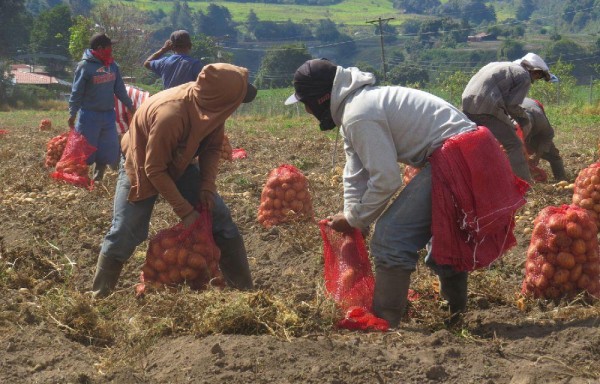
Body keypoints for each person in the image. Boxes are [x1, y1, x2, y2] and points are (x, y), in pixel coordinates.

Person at [285, 59, 527, 327]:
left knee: (391, 234)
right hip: (466, 152)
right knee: (443, 234)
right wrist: (354, 216)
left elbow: (386, 179)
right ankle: (453, 317)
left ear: (322, 98)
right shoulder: (355, 110)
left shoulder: (359, 114)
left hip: (461, 155)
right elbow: (356, 171)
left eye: (306, 102)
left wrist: (355, 219)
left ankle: (386, 321)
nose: (306, 110)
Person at [91, 63, 258, 298]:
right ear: (223, 98)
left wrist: (207, 185)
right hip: (142, 161)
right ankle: (99, 297)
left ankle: (245, 293)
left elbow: (212, 147)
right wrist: (186, 212)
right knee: (126, 230)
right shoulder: (172, 113)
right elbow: (154, 169)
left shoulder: (212, 107)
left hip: (181, 159)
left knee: (220, 220)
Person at [461, 52, 556, 183]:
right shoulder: (523, 76)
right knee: (514, 145)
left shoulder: (498, 65)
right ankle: (524, 183)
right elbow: (512, 105)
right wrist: (523, 118)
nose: (536, 79)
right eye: (538, 77)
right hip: (486, 108)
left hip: (467, 105)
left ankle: (482, 179)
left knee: (481, 144)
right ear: (537, 72)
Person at [68, 33, 135, 182]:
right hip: (89, 115)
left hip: (108, 115)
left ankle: (98, 177)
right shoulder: (84, 66)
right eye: (109, 47)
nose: (111, 49)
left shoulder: (112, 66)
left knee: (107, 147)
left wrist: (130, 106)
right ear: (100, 48)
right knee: (86, 148)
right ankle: (81, 178)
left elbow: (120, 90)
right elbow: (76, 92)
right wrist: (72, 113)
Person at [519, 98, 567, 181]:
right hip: (515, 129)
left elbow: (548, 136)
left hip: (534, 118)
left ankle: (561, 178)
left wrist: (537, 156)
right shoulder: (508, 117)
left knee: (553, 155)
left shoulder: (540, 120)